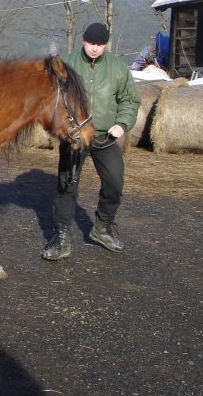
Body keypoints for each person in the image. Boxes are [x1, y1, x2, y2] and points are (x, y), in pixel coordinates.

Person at [42, 22, 141, 260]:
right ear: (83, 41)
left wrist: (122, 123)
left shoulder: (118, 68)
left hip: (105, 136)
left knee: (115, 183)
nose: (95, 48)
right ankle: (62, 238)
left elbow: (130, 100)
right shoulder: (67, 65)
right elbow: (52, 98)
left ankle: (102, 228)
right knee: (67, 185)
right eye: (90, 43)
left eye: (100, 44)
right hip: (75, 136)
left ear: (105, 45)